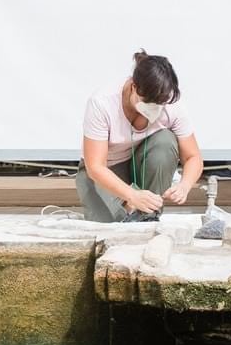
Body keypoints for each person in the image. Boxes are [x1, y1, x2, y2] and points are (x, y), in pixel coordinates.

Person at [76, 51, 203, 223]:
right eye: (149, 102)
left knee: (164, 141)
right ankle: (130, 208)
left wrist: (185, 185)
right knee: (111, 228)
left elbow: (193, 156)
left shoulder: (172, 104)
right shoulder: (102, 103)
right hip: (106, 169)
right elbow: (95, 167)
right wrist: (131, 195)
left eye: (160, 103)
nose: (155, 108)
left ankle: (148, 216)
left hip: (141, 162)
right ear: (134, 87)